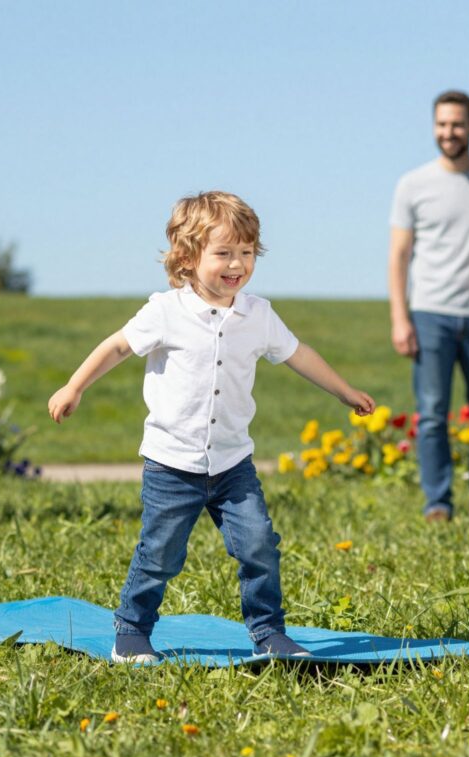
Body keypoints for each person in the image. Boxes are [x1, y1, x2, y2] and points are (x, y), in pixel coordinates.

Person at [48, 191, 375, 663]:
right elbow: (118, 347)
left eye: (246, 252)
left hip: (231, 464)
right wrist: (74, 386)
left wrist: (344, 391)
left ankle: (268, 633)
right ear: (188, 256)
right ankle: (132, 632)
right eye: (223, 253)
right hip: (171, 465)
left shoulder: (257, 314)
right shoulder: (165, 311)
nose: (236, 264)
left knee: (259, 545)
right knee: (160, 554)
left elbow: (298, 354)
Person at [388, 90, 469, 522]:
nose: (448, 132)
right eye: (441, 124)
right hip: (430, 312)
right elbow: (399, 255)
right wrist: (401, 316)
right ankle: (438, 503)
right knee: (433, 415)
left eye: (456, 124)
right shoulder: (413, 184)